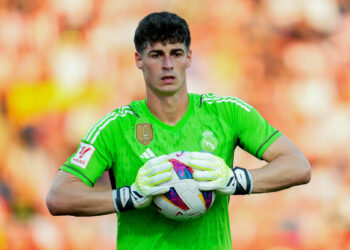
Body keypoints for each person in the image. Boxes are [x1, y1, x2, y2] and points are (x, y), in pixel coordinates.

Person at [46, 11, 311, 250]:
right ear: (139, 59)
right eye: (156, 55)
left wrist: (235, 181)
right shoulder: (116, 127)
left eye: (176, 53)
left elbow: (298, 165)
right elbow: (59, 196)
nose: (167, 65)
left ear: (189, 58)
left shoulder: (227, 113)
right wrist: (130, 196)